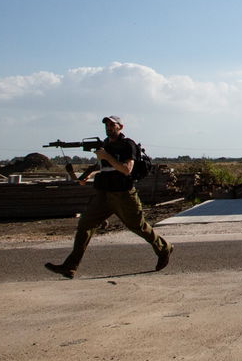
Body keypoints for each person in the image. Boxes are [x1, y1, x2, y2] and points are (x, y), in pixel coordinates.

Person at [44, 115, 172, 278]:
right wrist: (88, 174)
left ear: (120, 127)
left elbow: (126, 169)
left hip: (123, 194)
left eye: (112, 125)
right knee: (85, 225)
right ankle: (70, 267)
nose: (109, 128)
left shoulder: (128, 145)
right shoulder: (105, 145)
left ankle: (164, 248)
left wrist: (106, 156)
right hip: (104, 194)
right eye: (107, 125)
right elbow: (104, 167)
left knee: (138, 226)